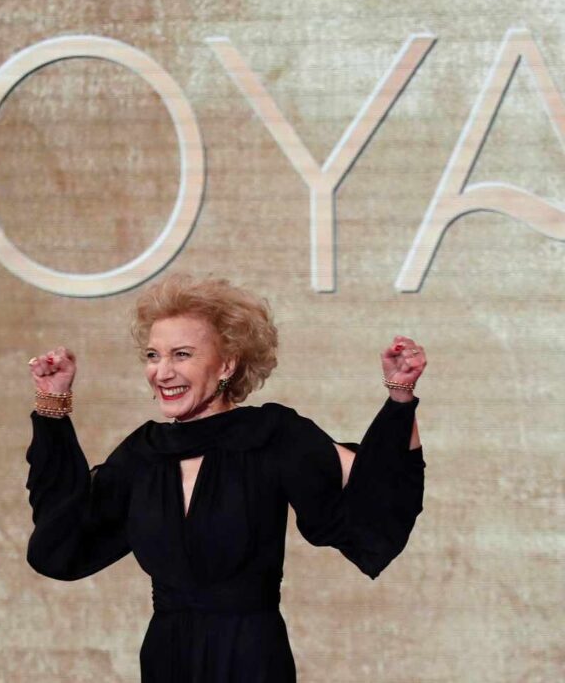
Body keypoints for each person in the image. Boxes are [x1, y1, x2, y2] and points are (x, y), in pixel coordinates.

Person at [24, 273, 427, 682]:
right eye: (153, 355)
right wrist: (51, 405)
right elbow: (66, 532)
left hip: (250, 659)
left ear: (227, 364)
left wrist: (400, 397)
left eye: (181, 355)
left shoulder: (273, 435)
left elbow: (379, 484)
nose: (162, 372)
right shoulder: (143, 454)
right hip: (168, 660)